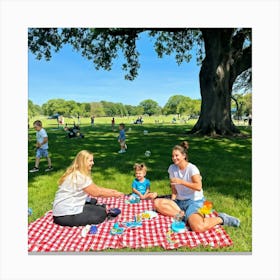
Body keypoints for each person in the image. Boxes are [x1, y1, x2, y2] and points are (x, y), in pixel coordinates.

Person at [154, 141, 240, 233]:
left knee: (198, 227)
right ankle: (183, 215)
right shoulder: (172, 168)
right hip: (179, 202)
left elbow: (198, 186)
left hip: (194, 202)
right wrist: (173, 201)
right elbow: (174, 189)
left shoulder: (192, 169)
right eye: (173, 156)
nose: (174, 158)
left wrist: (181, 182)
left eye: (177, 155)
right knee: (156, 203)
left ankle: (222, 218)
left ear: (184, 156)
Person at [52, 150, 124, 227]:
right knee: (101, 214)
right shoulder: (80, 176)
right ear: (83, 162)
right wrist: (114, 194)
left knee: (94, 203)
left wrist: (112, 191)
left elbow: (96, 188)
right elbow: (97, 193)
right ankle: (100, 211)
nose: (93, 163)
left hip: (62, 211)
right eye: (90, 161)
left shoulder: (77, 173)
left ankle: (98, 209)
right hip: (65, 215)